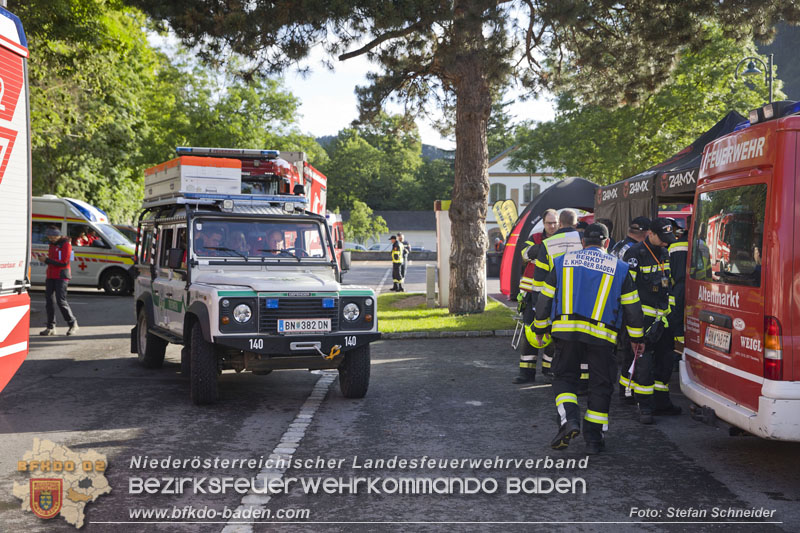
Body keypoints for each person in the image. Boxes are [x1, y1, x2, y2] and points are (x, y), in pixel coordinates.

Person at [533, 223, 644, 454]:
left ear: (583, 242)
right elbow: (632, 308)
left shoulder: (562, 262)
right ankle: (594, 440)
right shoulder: (621, 268)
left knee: (564, 378)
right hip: (602, 336)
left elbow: (544, 300)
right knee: (601, 385)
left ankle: (569, 420)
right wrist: (636, 337)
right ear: (607, 243)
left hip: (566, 331)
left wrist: (540, 328)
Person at [623, 218, 683, 424]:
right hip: (643, 319)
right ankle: (645, 407)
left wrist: (672, 314)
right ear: (651, 234)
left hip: (663, 320)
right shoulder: (635, 255)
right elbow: (627, 290)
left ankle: (662, 402)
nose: (666, 242)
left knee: (665, 363)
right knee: (644, 365)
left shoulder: (664, 253)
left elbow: (668, 284)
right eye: (663, 238)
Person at [530, 209, 585, 382]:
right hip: (582, 302)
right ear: (576, 224)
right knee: (582, 344)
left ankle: (563, 379)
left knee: (561, 345)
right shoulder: (584, 241)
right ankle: (583, 380)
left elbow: (539, 283)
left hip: (557, 303)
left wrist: (538, 312)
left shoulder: (547, 244)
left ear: (560, 223)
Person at [513, 208, 558, 384]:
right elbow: (524, 254)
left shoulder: (562, 241)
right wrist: (542, 249)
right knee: (530, 333)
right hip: (532, 294)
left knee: (554, 333)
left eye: (554, 223)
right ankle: (526, 372)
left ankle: (550, 369)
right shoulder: (535, 239)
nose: (552, 226)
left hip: (554, 294)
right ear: (543, 224)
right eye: (549, 223)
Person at [39, 227, 79, 336]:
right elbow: (54, 260)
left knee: (60, 301)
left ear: (58, 235)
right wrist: (46, 259)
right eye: (49, 237)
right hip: (51, 275)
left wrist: (46, 260)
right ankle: (50, 327)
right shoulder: (52, 244)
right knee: (49, 301)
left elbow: (64, 262)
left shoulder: (66, 245)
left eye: (52, 237)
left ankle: (72, 323)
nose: (51, 239)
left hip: (62, 276)